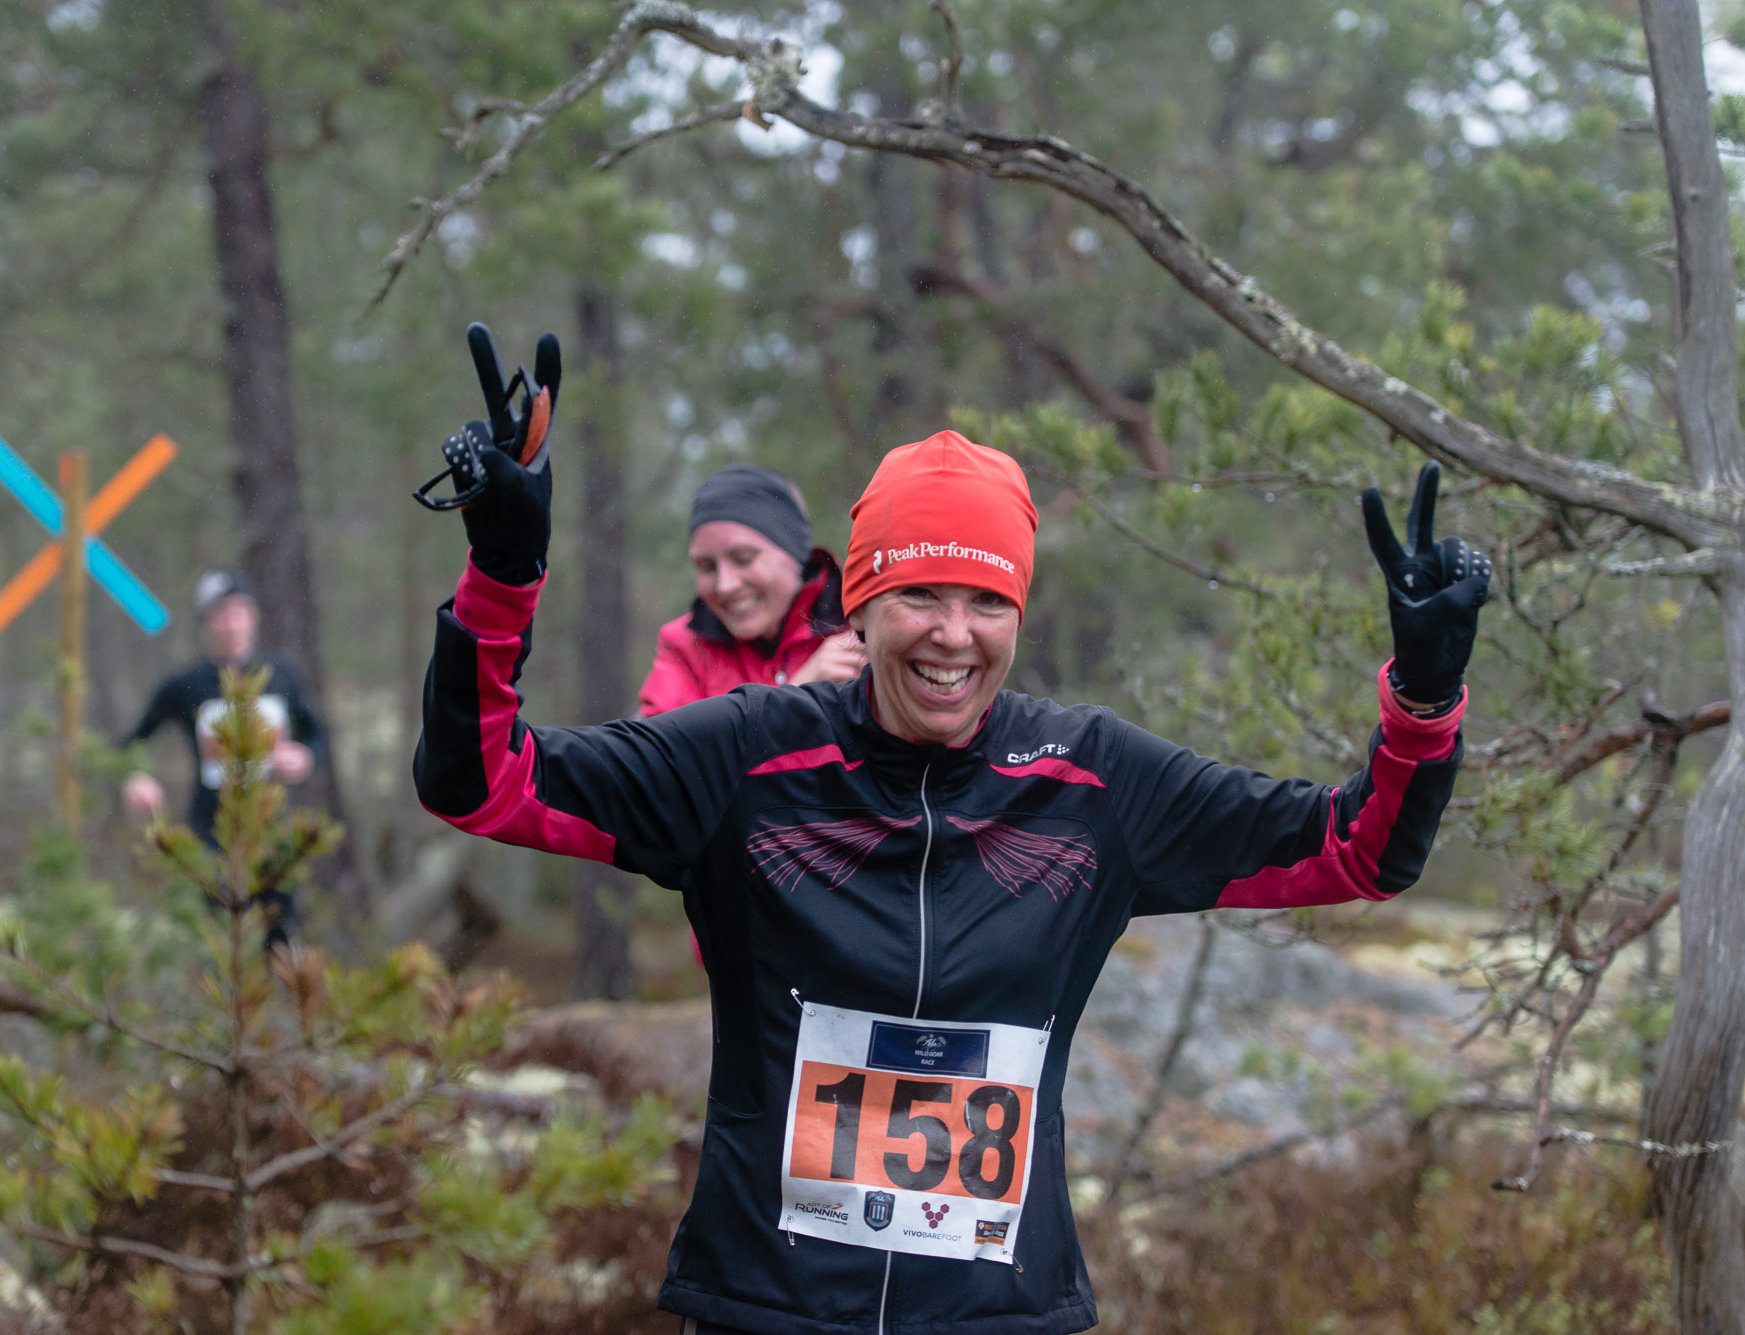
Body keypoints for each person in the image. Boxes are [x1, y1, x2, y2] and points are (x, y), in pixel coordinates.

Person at [412, 387, 1489, 1334]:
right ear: (859, 605)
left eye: (986, 602)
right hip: (770, 1307)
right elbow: (482, 783)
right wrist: (501, 580)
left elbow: (1358, 852)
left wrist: (1424, 703)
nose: (952, 635)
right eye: (920, 595)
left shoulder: (1092, 783)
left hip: (995, 1315)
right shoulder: (748, 753)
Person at [123, 570, 326, 945]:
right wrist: (137, 775)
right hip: (210, 832)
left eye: (238, 611)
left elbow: (317, 734)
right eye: (219, 614)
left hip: (273, 829)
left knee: (279, 930)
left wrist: (304, 757)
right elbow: (133, 741)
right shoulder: (185, 684)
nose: (230, 623)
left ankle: (279, 1001)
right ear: (205, 623)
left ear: (254, 616)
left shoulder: (281, 675)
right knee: (218, 938)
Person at [639, 464, 865, 717]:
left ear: (794, 554)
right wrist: (792, 697)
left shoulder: (863, 621)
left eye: (744, 558)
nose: (725, 586)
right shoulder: (685, 647)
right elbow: (662, 752)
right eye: (706, 566)